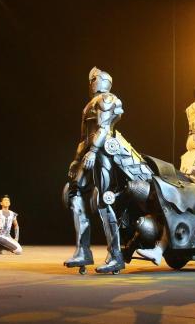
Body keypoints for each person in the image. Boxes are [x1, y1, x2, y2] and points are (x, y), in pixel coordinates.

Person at [63, 67, 125, 274]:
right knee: (75, 194)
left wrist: (94, 151)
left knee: (103, 200)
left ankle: (116, 256)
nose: (91, 83)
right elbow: (84, 137)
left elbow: (104, 128)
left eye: (93, 79)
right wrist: (76, 160)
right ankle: (83, 251)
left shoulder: (107, 99)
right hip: (89, 153)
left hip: (102, 153)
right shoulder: (89, 105)